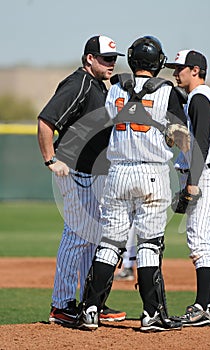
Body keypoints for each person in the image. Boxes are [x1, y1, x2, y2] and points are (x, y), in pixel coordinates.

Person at [79, 36, 188, 332]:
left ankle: (90, 309)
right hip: (152, 172)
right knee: (149, 244)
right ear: (159, 63)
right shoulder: (168, 92)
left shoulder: (114, 88)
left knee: (110, 243)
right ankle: (152, 314)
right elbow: (181, 135)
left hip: (118, 172)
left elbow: (111, 121)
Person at [37, 35, 126, 327]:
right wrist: (51, 159)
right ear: (90, 59)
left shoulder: (99, 86)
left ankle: (91, 304)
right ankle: (61, 305)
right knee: (77, 236)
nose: (111, 63)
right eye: (105, 58)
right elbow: (46, 120)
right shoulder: (78, 84)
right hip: (73, 170)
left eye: (113, 59)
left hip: (91, 172)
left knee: (94, 239)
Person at [165, 49, 210, 326]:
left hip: (204, 176)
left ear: (195, 70)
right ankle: (208, 306)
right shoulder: (209, 98)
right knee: (203, 240)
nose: (174, 72)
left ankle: (204, 307)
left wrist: (193, 180)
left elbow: (201, 142)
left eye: (179, 68)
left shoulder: (199, 97)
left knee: (200, 241)